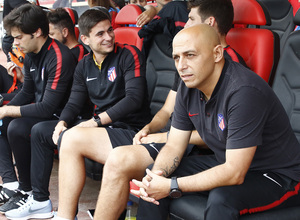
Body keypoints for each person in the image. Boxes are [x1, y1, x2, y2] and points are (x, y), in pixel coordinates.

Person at [92, 0, 248, 219]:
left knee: (123, 162)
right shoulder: (189, 71)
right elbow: (167, 113)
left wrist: (162, 139)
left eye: (191, 19)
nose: (184, 25)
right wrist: (150, 129)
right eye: (177, 58)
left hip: (217, 153)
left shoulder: (235, 77)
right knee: (155, 176)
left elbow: (220, 138)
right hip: (179, 141)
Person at [132, 23, 300, 219]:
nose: (181, 66)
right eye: (177, 58)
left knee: (222, 199)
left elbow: (234, 173)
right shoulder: (188, 86)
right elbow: (174, 146)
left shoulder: (243, 91)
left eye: (190, 55)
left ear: (217, 54)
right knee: (155, 175)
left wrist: (172, 186)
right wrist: (158, 177)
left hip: (279, 175)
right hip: (228, 161)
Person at [6, 7, 151, 220]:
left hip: (131, 129)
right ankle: (40, 200)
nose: (109, 37)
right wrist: (62, 122)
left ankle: (66, 216)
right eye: (100, 34)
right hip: (102, 128)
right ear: (85, 39)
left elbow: (133, 99)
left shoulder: (129, 54)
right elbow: (74, 103)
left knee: (71, 138)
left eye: (110, 30)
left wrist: (94, 122)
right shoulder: (84, 65)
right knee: (41, 131)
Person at [0, 3, 77, 217]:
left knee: (26, 126)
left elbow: (48, 107)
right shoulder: (32, 53)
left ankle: (40, 199)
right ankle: (25, 190)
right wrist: (3, 105)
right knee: (10, 125)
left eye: (18, 37)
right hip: (47, 113)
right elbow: (27, 93)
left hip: (67, 117)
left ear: (37, 32)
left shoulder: (59, 56)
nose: (14, 43)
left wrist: (7, 111)